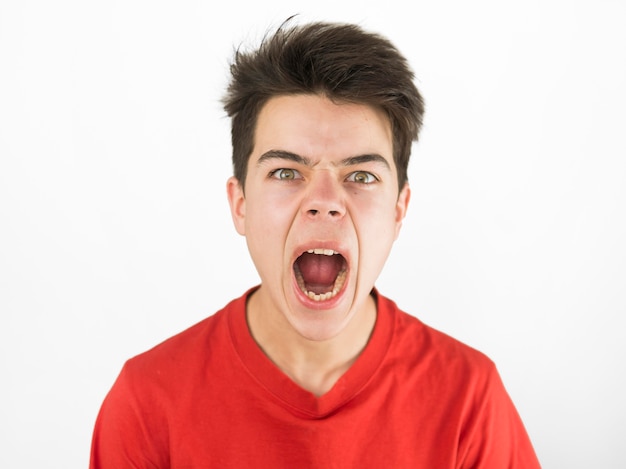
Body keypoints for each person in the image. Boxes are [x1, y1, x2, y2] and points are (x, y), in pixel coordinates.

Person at [90, 18, 541, 468]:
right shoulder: (147, 402)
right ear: (240, 203)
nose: (325, 203)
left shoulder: (470, 399)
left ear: (399, 210)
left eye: (361, 176)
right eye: (286, 172)